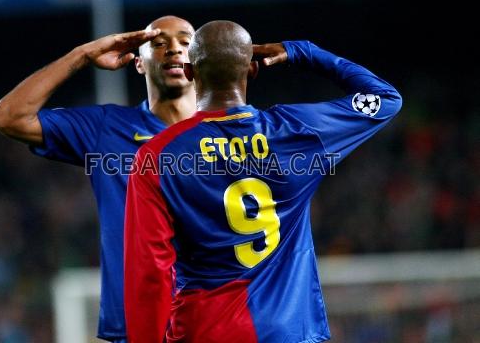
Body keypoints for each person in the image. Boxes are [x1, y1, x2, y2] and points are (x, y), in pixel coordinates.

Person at [124, 20, 402, 342]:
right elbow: (385, 98)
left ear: (189, 73)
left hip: (205, 330)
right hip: (288, 330)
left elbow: (149, 273)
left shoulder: (157, 157)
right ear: (252, 71)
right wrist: (303, 51)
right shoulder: (298, 132)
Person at [0, 15, 196, 342]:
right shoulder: (107, 128)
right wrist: (82, 55)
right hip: (139, 327)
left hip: (215, 319)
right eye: (158, 43)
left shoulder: (232, 132)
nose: (173, 49)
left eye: (186, 42)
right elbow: (7, 117)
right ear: (139, 63)